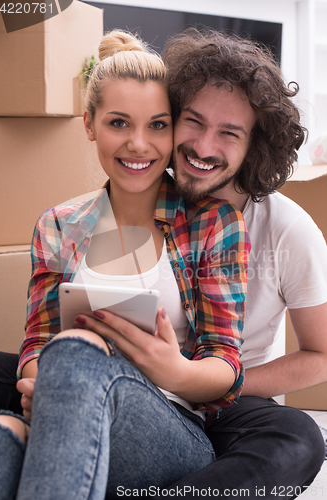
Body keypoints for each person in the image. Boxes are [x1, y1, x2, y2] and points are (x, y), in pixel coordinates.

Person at [0, 30, 250, 499]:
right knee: (0, 437)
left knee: (74, 352)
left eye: (157, 125)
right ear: (89, 124)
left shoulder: (215, 224)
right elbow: (35, 345)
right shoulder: (58, 226)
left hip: (170, 427)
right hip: (68, 405)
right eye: (118, 123)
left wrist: (173, 369)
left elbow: (227, 362)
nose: (138, 144)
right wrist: (40, 383)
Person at [157, 28, 327, 498]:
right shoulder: (139, 197)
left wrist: (207, 383)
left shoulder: (287, 227)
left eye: (229, 133)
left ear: (254, 145)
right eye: (192, 121)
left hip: (228, 404)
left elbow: (322, 355)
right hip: (137, 387)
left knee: (298, 438)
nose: (204, 147)